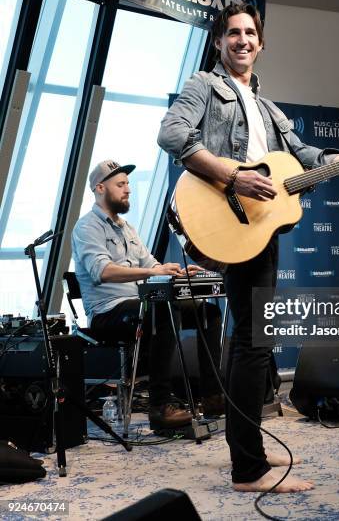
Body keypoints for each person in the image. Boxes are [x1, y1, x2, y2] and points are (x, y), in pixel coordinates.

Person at [157, 3, 339, 493]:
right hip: (230, 218)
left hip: (259, 229)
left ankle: (249, 451)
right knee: (252, 342)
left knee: (250, 340)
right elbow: (172, 133)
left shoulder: (267, 107)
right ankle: (248, 468)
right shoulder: (206, 85)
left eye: (250, 33)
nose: (242, 40)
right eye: (233, 33)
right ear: (219, 42)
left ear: (260, 44)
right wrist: (234, 175)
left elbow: (306, 158)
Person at [71, 159, 224, 431]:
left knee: (208, 311)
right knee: (164, 310)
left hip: (139, 306)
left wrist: (174, 270)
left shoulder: (127, 228)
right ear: (100, 188)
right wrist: (152, 273)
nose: (127, 189)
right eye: (120, 184)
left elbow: (151, 264)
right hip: (108, 312)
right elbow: (102, 271)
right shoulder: (87, 228)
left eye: (128, 184)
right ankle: (160, 406)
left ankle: (212, 396)